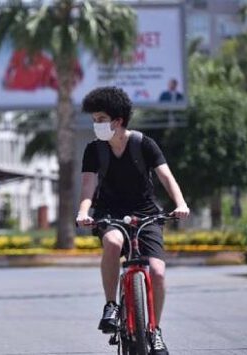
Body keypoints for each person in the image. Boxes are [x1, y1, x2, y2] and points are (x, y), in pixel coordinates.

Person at [76, 87, 189, 355]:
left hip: (147, 213)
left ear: (118, 120)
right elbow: (87, 189)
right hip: (110, 213)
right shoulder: (94, 150)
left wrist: (181, 205)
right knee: (113, 243)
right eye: (94, 119)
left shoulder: (144, 144)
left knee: (158, 272)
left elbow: (166, 178)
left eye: (101, 119)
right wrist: (83, 213)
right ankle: (111, 305)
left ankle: (154, 331)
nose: (97, 124)